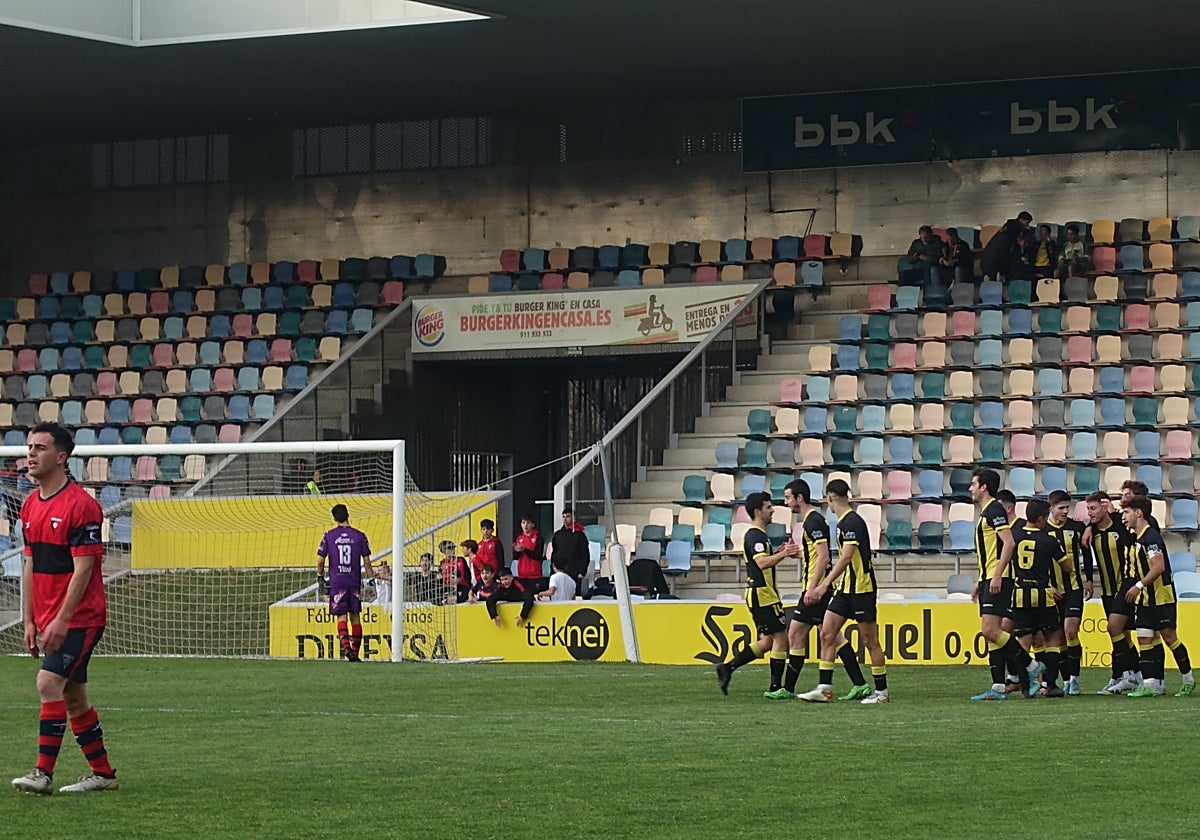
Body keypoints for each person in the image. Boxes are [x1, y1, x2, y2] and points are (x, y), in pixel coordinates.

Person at [11, 422, 117, 794]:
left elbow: (84, 569)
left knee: (47, 682)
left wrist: (61, 619)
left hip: (80, 618)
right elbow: (29, 563)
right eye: (29, 447)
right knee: (72, 695)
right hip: (50, 617)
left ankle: (42, 773)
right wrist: (29, 618)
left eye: (40, 448)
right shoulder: (28, 504)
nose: (31, 454)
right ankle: (103, 774)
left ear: (61, 457)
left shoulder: (82, 506)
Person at [774, 478, 870, 700]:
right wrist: (795, 553)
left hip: (816, 588)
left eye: (788, 497)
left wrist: (813, 588)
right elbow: (816, 554)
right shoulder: (813, 521)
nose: (786, 502)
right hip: (817, 587)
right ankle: (860, 683)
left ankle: (788, 688)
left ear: (800, 497)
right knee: (832, 636)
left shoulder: (813, 521)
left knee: (795, 633)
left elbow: (824, 556)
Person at [797, 479, 891, 705]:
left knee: (870, 640)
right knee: (827, 633)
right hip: (845, 589)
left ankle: (882, 692)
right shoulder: (843, 522)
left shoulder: (851, 522)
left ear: (830, 498)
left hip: (861, 589)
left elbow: (847, 557)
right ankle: (825, 688)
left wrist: (822, 585)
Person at [713, 492, 799, 696]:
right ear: (757, 512)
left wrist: (776, 553)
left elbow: (760, 560)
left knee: (768, 641)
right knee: (780, 638)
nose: (773, 510)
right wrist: (782, 554)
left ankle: (728, 667)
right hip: (763, 595)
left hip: (761, 594)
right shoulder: (755, 535)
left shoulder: (758, 536)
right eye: (768, 507)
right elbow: (761, 563)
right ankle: (775, 687)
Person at [968, 468, 1042, 701]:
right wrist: (981, 580)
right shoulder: (987, 512)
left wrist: (997, 575)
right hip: (988, 577)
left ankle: (1031, 667)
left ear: (984, 487)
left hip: (997, 577)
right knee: (992, 633)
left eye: (973, 484)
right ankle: (999, 686)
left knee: (990, 630)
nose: (970, 488)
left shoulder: (994, 510)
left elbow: (1009, 543)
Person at [1121, 497, 1195, 697]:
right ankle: (1151, 684)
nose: (1123, 517)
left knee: (1170, 638)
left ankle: (1188, 678)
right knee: (1145, 638)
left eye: (1127, 512)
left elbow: (1159, 567)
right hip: (1145, 598)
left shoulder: (1151, 538)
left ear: (1138, 513)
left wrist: (1138, 585)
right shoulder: (1139, 538)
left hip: (1161, 596)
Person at [1009, 500, 1067, 698]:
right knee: (1053, 638)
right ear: (1041, 518)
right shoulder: (1048, 539)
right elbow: (1067, 566)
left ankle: (1026, 688)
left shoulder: (1014, 537)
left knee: (1023, 642)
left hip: (1020, 594)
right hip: (1042, 594)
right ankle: (1050, 684)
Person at [1084, 492, 1140, 694]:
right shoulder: (1091, 531)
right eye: (1088, 509)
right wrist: (1089, 580)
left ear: (1104, 506)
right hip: (1107, 590)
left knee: (1116, 629)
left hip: (1124, 587)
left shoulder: (1120, 526)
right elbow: (1087, 556)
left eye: (1094, 508)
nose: (1089, 513)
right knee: (1121, 635)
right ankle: (1129, 675)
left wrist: (1115, 514)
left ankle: (1126, 675)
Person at [315, 503, 375, 662]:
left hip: (337, 582)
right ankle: (355, 653)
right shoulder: (360, 536)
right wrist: (371, 581)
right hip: (353, 581)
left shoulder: (329, 536)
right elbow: (367, 562)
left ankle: (346, 646)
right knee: (355, 617)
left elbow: (320, 561)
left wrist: (320, 577)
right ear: (348, 515)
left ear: (334, 518)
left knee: (341, 616)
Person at [1045, 490, 1088, 694]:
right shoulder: (1043, 530)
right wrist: (1047, 586)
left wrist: (1088, 579)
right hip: (1052, 590)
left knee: (1071, 630)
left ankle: (1074, 677)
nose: (1064, 511)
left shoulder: (1077, 528)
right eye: (1060, 508)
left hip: (1074, 588)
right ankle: (1065, 679)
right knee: (1058, 637)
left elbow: (1087, 553)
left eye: (1067, 507)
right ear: (1051, 508)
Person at [549, 509, 590, 599]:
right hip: (560, 571)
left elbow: (585, 555)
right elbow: (554, 554)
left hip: (575, 572)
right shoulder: (557, 535)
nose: (565, 519)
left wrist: (582, 571)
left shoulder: (580, 535)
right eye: (563, 517)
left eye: (568, 516)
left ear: (573, 518)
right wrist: (552, 570)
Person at [979, 211, 1032, 281]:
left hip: (988, 256)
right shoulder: (1018, 226)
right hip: (999, 254)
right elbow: (1020, 241)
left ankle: (990, 277)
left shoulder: (1007, 225)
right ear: (1021, 220)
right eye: (1027, 223)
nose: (1027, 225)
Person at [512, 515, 544, 594]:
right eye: (523, 523)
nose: (525, 525)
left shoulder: (538, 537)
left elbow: (538, 555)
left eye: (528, 523)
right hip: (521, 574)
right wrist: (516, 550)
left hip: (535, 575)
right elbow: (516, 557)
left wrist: (524, 550)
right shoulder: (519, 538)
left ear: (533, 525)